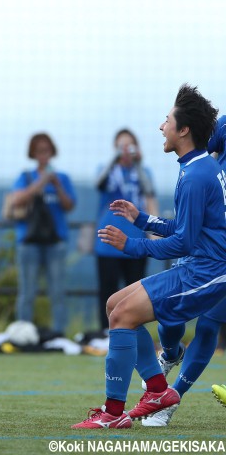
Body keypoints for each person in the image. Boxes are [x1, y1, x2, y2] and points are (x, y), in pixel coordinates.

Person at [72, 84, 226, 429]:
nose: (161, 126)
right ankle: (157, 389)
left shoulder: (197, 174)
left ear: (183, 130)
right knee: (115, 305)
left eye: (167, 119)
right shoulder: (195, 167)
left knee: (124, 314)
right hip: (201, 266)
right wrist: (141, 218)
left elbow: (184, 241)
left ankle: (114, 413)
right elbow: (185, 227)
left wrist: (132, 245)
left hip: (207, 273)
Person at [140, 115, 226, 427]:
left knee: (208, 327)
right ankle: (171, 353)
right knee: (170, 314)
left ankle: (170, 399)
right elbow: (201, 150)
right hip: (204, 241)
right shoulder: (225, 126)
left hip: (221, 257)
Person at [1, 133, 76, 337]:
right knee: (27, 291)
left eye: (47, 150)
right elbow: (17, 200)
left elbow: (69, 205)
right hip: (28, 240)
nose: (44, 155)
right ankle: (23, 333)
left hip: (56, 240)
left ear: (52, 152)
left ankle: (58, 334)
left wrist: (56, 184)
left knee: (57, 291)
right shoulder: (25, 177)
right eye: (39, 151)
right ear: (33, 154)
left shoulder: (62, 178)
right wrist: (42, 182)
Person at [94, 129, 157, 332]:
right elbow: (99, 184)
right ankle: (106, 331)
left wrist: (137, 164)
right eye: (121, 145)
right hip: (108, 239)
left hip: (136, 239)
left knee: (136, 290)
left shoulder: (143, 172)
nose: (125, 150)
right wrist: (114, 160)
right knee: (108, 287)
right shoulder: (106, 169)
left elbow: (149, 193)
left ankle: (134, 330)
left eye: (129, 145)